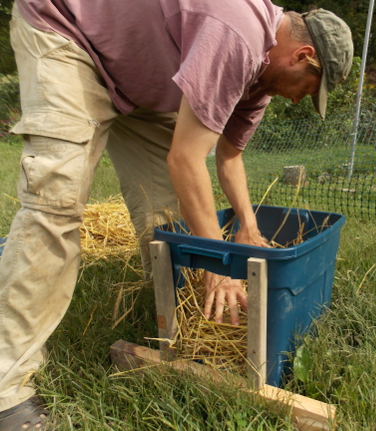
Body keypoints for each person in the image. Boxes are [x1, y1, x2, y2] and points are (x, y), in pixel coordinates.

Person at [0, 0, 353, 428]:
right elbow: (187, 159)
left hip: (137, 81)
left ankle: (188, 334)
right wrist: (218, 267)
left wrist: (247, 225)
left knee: (170, 222)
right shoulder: (238, 36)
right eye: (309, 88)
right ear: (303, 56)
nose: (299, 101)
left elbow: (229, 156)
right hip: (68, 34)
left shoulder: (261, 81)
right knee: (56, 202)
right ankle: (7, 388)